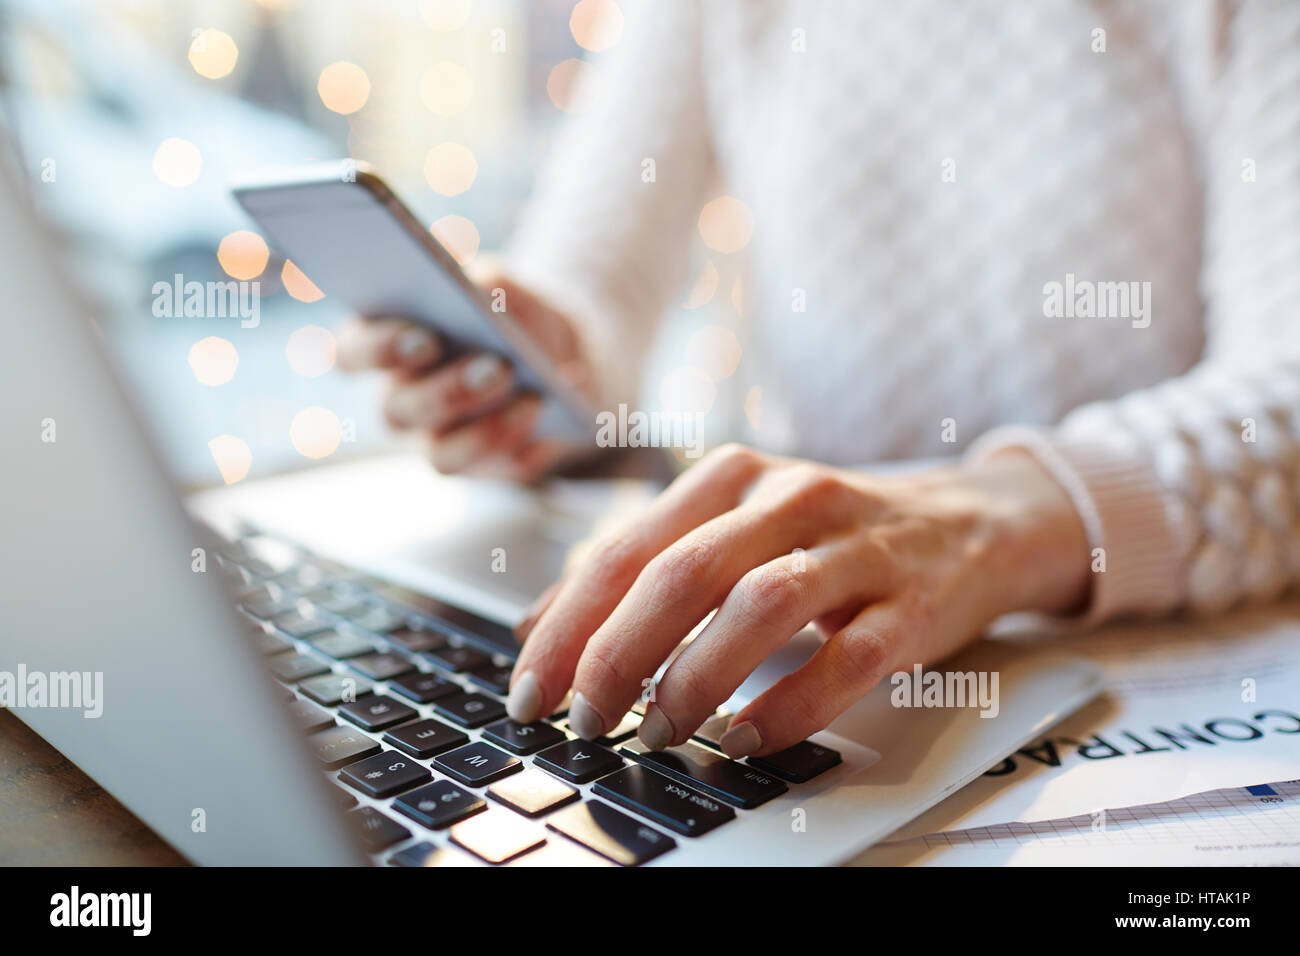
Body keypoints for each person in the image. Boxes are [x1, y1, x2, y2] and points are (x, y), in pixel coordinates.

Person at [335, 0, 1300, 759]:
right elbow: (594, 278)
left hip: (1153, 669)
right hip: (811, 640)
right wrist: (539, 368)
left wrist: (990, 526)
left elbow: (1285, 395)